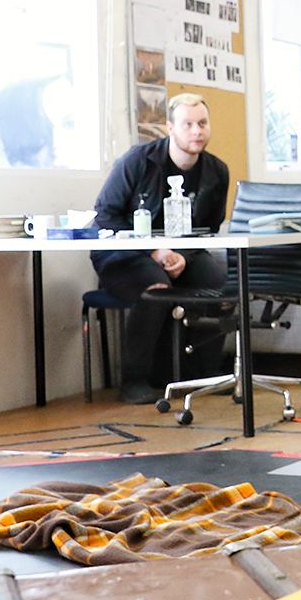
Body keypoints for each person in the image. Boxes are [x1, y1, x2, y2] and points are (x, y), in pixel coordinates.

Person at [91, 93, 231, 404]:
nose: (197, 131)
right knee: (156, 288)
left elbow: (209, 230)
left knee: (222, 286)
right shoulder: (137, 161)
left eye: (202, 123)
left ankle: (207, 372)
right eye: (188, 124)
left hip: (183, 252)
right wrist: (154, 251)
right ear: (170, 128)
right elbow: (106, 215)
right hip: (126, 253)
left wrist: (184, 256)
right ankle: (134, 380)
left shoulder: (216, 171)